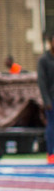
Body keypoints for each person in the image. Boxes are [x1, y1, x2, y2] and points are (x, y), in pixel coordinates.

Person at [37, 32, 54, 165]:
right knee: (51, 127)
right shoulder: (44, 60)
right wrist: (46, 101)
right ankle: (50, 153)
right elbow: (42, 82)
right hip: (51, 100)